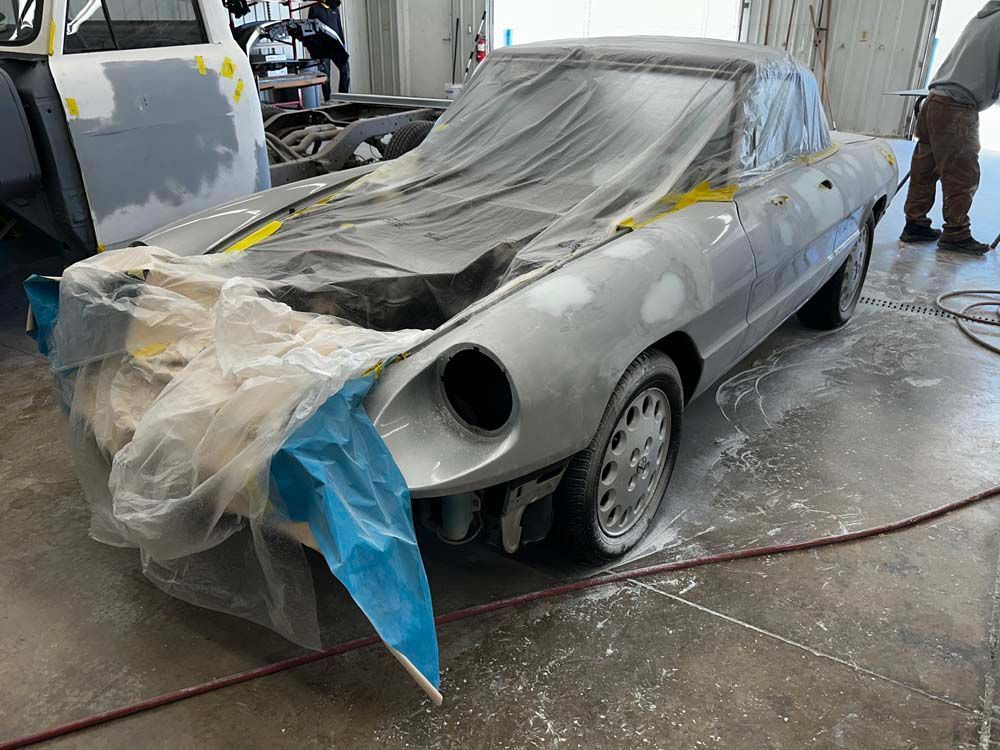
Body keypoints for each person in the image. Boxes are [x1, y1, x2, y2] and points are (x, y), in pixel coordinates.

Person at [901, 1, 1000, 255]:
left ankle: (915, 224)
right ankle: (956, 234)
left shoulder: (986, 16)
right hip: (957, 107)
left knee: (925, 168)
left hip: (933, 100)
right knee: (962, 174)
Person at [307, 0, 350, 98]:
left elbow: (339, 28)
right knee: (326, 76)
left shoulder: (334, 9)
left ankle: (343, 97)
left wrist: (342, 45)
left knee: (345, 70)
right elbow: (310, 30)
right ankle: (328, 99)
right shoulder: (314, 9)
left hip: (336, 46)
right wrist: (313, 49)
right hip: (322, 48)